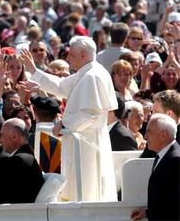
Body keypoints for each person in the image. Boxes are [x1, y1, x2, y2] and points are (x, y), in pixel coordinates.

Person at [21, 36, 118, 201]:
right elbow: (60, 86)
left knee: (87, 192)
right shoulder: (86, 72)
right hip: (82, 140)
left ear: (83, 55)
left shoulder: (92, 76)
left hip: (87, 143)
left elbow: (90, 113)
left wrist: (64, 123)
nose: (68, 58)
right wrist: (35, 71)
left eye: (71, 55)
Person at [131, 114, 180, 221]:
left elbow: (174, 206)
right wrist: (147, 212)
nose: (145, 136)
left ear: (163, 135)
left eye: (149, 131)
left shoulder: (176, 160)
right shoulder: (162, 156)